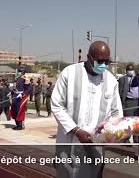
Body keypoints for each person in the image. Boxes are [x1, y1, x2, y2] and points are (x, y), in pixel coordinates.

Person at [52, 41, 123, 178]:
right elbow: (57, 105)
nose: (103, 65)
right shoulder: (69, 74)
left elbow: (116, 112)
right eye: (100, 61)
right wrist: (76, 130)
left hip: (96, 145)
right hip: (69, 142)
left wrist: (110, 131)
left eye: (107, 62)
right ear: (89, 58)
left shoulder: (111, 81)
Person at [118, 64, 139, 143]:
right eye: (129, 70)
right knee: (128, 122)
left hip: (137, 102)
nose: (131, 71)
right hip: (128, 102)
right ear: (126, 71)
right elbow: (119, 92)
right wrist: (121, 105)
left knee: (136, 122)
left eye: (132, 69)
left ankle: (136, 139)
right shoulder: (122, 79)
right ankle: (126, 139)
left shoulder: (137, 79)